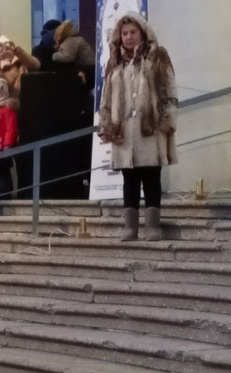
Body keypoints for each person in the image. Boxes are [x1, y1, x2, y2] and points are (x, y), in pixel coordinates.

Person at [98, 12, 177, 242]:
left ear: (142, 33)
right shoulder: (114, 62)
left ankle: (152, 226)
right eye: (124, 33)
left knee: (152, 178)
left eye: (133, 32)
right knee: (129, 180)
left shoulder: (158, 57)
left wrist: (166, 122)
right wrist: (105, 126)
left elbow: (170, 93)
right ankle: (130, 227)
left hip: (150, 130)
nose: (129, 37)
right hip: (124, 133)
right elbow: (105, 99)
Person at [0, 36, 41, 108]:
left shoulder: (22, 63)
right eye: (2, 49)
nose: (6, 51)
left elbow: (36, 65)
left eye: (8, 48)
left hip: (27, 103)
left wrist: (17, 51)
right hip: (7, 107)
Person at [53, 20, 97, 88]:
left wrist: (54, 56)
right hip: (90, 68)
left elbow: (67, 57)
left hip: (85, 69)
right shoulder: (78, 39)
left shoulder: (70, 41)